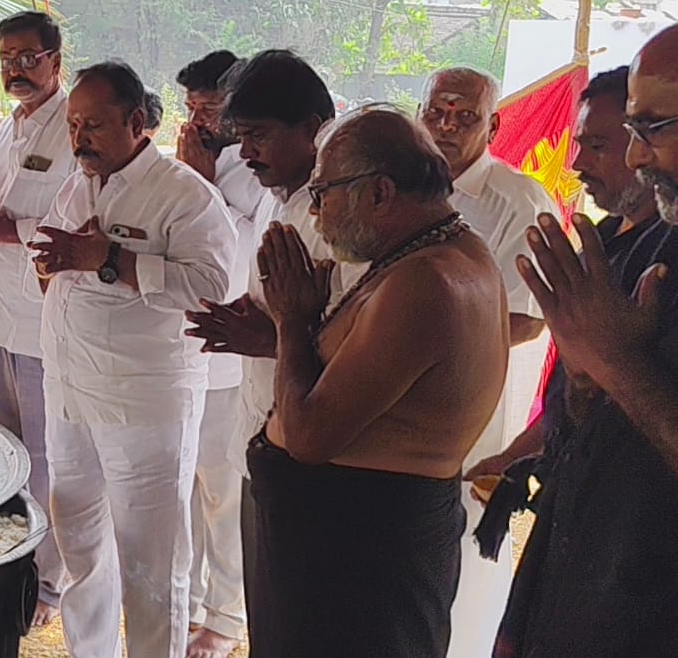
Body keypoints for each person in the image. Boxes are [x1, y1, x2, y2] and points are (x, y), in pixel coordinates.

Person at [251, 106, 507, 658]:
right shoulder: (441, 253)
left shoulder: (426, 282)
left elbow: (310, 438)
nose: (314, 212)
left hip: (361, 566)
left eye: (322, 194)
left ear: (380, 193)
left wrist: (292, 321)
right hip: (354, 547)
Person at [31, 62, 236, 658]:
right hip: (70, 392)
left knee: (153, 563)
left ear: (137, 121)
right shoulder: (78, 184)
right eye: (73, 125)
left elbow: (213, 286)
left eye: (93, 125)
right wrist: (53, 263)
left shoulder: (184, 194)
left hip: (143, 404)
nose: (79, 138)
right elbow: (61, 255)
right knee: (81, 545)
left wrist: (110, 261)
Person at [496, 26, 678, 657]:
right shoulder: (647, 249)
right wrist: (582, 379)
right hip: (594, 578)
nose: (636, 157)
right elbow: (592, 424)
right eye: (630, 131)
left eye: (653, 128)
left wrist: (615, 363)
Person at [183, 49, 339, 650]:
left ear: (312, 129)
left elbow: (362, 333)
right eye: (240, 137)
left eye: (257, 136)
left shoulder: (336, 216)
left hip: (316, 447)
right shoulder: (281, 195)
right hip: (264, 423)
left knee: (301, 611)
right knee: (270, 602)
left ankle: (224, 620)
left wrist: (270, 338)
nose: (246, 152)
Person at [416, 67, 557, 657]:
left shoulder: (518, 200)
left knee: (467, 555)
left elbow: (528, 319)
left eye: (465, 117)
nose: (446, 127)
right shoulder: (404, 186)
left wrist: (417, 346)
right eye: (436, 114)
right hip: (401, 408)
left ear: (493, 126)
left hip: (475, 413)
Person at [466, 67, 657, 494]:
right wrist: (512, 456)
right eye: (579, 145)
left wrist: (615, 361)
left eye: (598, 146)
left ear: (644, 147)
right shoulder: (601, 242)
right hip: (574, 495)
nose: (577, 165)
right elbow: (572, 394)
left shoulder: (664, 256)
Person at [0, 11, 75, 625]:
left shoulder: (74, 126)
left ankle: (48, 583)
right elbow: (6, 209)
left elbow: (83, 221)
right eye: (6, 59)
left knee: (45, 457)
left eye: (29, 58)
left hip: (40, 323)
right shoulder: (12, 123)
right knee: (3, 449)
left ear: (56, 60)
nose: (16, 70)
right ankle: (9, 559)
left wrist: (11, 230)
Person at [173, 49, 264, 658]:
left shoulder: (254, 171)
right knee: (187, 488)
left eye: (209, 107)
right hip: (186, 355)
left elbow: (236, 256)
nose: (197, 119)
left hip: (233, 360)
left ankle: (227, 618)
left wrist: (203, 184)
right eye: (191, 106)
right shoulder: (192, 159)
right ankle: (192, 604)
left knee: (223, 494)